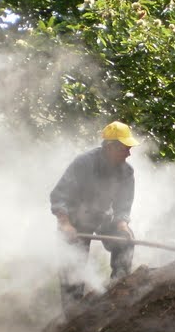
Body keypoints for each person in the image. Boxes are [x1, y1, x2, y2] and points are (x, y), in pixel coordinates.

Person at [50, 121, 139, 309]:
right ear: (109, 147)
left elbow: (123, 204)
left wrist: (122, 223)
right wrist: (65, 223)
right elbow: (59, 196)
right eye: (125, 148)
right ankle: (71, 315)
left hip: (102, 218)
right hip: (74, 220)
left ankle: (118, 289)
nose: (129, 153)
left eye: (129, 148)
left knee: (125, 241)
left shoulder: (127, 172)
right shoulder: (83, 163)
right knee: (72, 269)